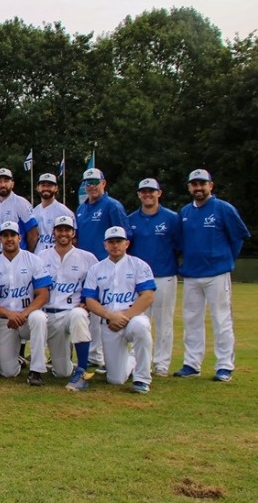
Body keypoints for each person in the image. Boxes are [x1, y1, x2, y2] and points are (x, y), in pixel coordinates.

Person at [174, 169, 250, 382]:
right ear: (189, 187)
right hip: (191, 274)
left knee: (221, 318)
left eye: (202, 184)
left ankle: (224, 366)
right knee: (191, 319)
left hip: (217, 273)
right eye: (194, 184)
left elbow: (238, 238)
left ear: (211, 186)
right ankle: (192, 364)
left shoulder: (223, 208)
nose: (198, 188)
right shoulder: (185, 212)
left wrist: (225, 260)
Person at [84, 226, 156, 394]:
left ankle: (142, 379)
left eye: (119, 241)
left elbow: (147, 296)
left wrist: (124, 316)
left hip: (133, 318)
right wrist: (110, 315)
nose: (115, 245)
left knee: (141, 327)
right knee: (115, 379)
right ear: (105, 245)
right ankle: (133, 358)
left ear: (127, 244)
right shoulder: (96, 269)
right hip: (108, 322)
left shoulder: (139, 265)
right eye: (111, 242)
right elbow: (90, 300)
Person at [0, 221, 51, 386]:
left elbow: (43, 295)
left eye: (12, 235)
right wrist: (9, 314)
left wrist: (23, 314)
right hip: (6, 321)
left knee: (39, 317)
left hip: (28, 318)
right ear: (0, 239)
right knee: (8, 372)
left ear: (19, 238)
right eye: (5, 236)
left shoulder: (34, 260)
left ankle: (37, 370)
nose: (9, 239)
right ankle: (16, 359)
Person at [75, 167, 129, 371]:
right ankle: (94, 356)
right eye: (87, 183)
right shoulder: (81, 208)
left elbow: (124, 236)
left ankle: (111, 358)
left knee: (110, 311)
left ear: (104, 183)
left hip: (109, 266)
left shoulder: (112, 206)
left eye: (95, 182)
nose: (91, 186)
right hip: (87, 268)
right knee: (91, 312)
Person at [127, 178, 182, 377]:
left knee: (163, 322)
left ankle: (161, 363)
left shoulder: (172, 218)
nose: (147, 194)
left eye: (151, 191)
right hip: (139, 280)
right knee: (138, 320)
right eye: (144, 191)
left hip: (164, 275)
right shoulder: (131, 219)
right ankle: (139, 362)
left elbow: (178, 246)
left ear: (159, 193)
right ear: (139, 194)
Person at [36, 216, 97, 391]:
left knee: (79, 315)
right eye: (59, 229)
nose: (63, 233)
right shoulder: (42, 256)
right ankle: (65, 366)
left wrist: (86, 302)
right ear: (53, 232)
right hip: (48, 313)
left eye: (67, 230)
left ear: (73, 233)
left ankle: (82, 370)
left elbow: (96, 284)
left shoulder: (87, 257)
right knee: (62, 372)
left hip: (71, 312)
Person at [0, 168, 39, 251]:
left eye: (6, 181)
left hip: (18, 254)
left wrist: (28, 254)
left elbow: (33, 234)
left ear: (12, 184)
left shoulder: (21, 203)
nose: (3, 184)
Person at [33, 173, 75, 252]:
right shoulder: (34, 212)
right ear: (38, 188)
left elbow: (74, 239)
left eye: (49, 185)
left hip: (58, 255)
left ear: (56, 188)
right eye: (43, 185)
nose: (46, 188)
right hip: (39, 256)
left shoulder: (65, 211)